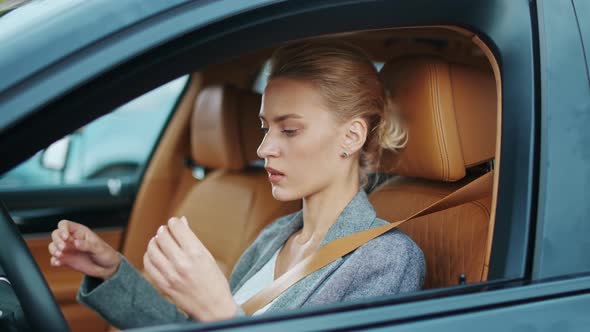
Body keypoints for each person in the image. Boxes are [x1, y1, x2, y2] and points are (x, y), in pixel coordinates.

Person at [47, 40, 425, 329]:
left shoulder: (387, 260)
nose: (264, 148)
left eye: (289, 130)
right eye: (265, 127)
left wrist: (222, 312)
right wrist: (111, 274)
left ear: (352, 136)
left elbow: (221, 322)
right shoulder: (275, 236)